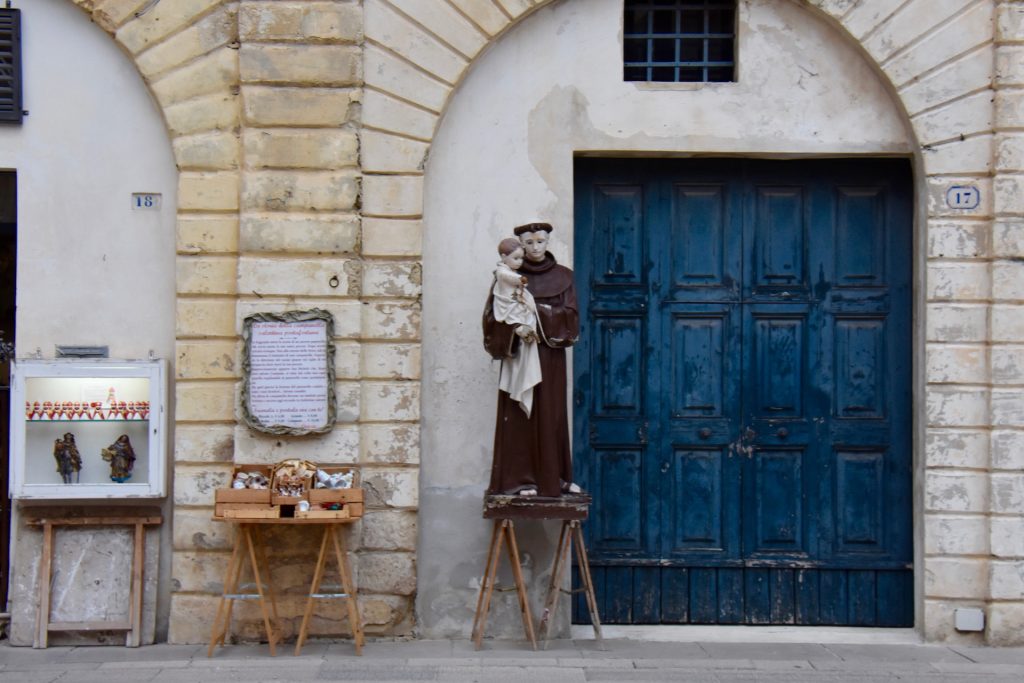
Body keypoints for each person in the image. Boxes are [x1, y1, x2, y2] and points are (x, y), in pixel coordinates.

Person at [483, 222, 582, 497]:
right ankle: (520, 480)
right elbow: (493, 317)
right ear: (520, 247)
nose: (535, 247)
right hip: (520, 354)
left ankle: (557, 478)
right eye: (529, 243)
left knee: (552, 415)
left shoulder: (564, 277)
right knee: (519, 416)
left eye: (541, 241)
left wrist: (536, 311)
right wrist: (516, 328)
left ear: (548, 242)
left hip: (550, 357)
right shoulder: (508, 277)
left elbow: (571, 317)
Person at [491, 238, 542, 417]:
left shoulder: (508, 269)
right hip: (509, 313)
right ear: (504, 257)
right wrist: (520, 278)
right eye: (516, 258)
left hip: (517, 309)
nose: (519, 262)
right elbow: (507, 277)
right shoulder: (502, 271)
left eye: (521, 259)